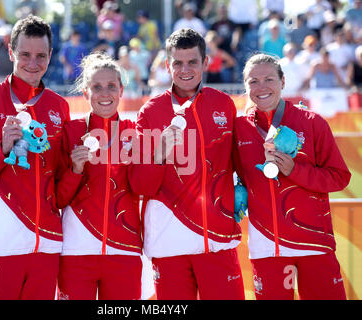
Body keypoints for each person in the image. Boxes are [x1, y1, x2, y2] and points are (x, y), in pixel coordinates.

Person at [0, 15, 70, 300]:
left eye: (41, 56)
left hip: (45, 246)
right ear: (10, 52)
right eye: (25, 55)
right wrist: (1, 149)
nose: (33, 63)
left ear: (50, 55)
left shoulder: (59, 107)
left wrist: (77, 169)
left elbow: (61, 181)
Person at [135, 28, 244, 300]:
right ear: (167, 65)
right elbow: (141, 185)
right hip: (169, 242)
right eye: (178, 63)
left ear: (206, 63)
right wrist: (159, 153)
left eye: (193, 62)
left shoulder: (224, 104)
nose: (185, 70)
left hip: (217, 239)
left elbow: (239, 161)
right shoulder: (150, 111)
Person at [233, 53, 350, 300]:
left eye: (269, 79)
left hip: (313, 245)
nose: (261, 87)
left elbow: (339, 177)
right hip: (267, 247)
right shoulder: (239, 128)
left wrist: (295, 170)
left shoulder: (312, 122)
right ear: (245, 86)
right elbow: (231, 175)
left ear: (283, 82)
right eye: (253, 81)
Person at [55, 52, 156, 300]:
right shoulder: (71, 131)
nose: (105, 94)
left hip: (125, 249)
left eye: (111, 86)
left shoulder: (136, 132)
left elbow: (146, 188)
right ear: (86, 92)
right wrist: (75, 171)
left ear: (122, 90)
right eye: (96, 87)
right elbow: (57, 199)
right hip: (76, 250)